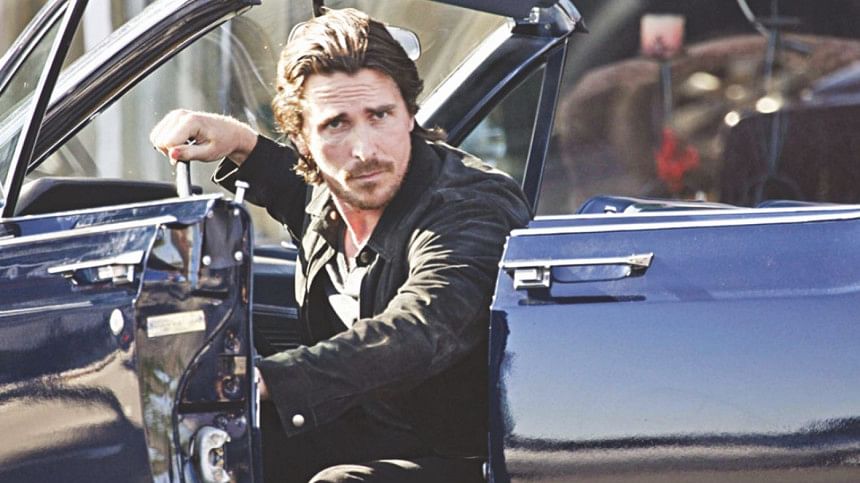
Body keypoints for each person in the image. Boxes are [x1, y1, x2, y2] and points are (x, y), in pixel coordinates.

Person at [150, 8, 530, 483]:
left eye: (380, 115)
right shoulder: (337, 194)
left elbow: (420, 328)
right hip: (354, 434)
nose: (365, 150)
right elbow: (297, 192)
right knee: (193, 449)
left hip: (462, 458)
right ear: (301, 139)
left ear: (409, 113)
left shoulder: (471, 205)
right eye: (335, 125)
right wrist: (240, 142)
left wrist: (265, 378)